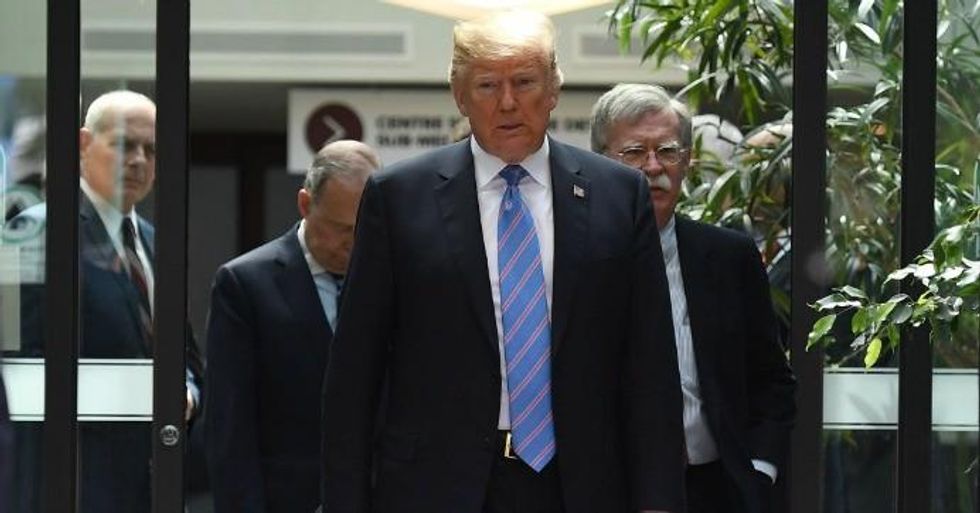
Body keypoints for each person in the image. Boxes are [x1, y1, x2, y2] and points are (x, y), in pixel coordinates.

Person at [321, 11, 684, 513]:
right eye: (488, 84)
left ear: (554, 88)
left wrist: (659, 502)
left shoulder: (617, 196)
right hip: (437, 484)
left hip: (582, 483)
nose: (508, 102)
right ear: (459, 94)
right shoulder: (399, 198)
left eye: (525, 82)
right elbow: (355, 371)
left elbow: (650, 365)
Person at [591, 83, 797, 513]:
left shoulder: (729, 256)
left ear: (687, 161)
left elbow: (771, 379)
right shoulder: (574, 260)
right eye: (633, 153)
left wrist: (759, 469)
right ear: (598, 162)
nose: (652, 167)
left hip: (716, 488)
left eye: (667, 151)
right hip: (610, 492)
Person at [7, 90, 204, 513]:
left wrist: (186, 391)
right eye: (124, 144)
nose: (139, 160)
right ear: (82, 145)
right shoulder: (33, 232)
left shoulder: (158, 242)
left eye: (151, 150)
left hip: (152, 481)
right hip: (71, 482)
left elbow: (181, 353)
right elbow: (19, 364)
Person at [204, 140, 380, 513]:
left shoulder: (388, 279)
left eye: (364, 227)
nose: (353, 243)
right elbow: (231, 427)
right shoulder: (245, 283)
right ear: (305, 204)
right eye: (339, 228)